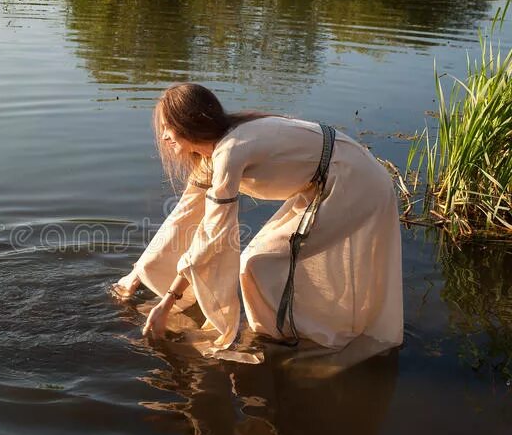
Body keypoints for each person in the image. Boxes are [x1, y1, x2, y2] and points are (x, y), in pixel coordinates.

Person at [114, 83, 403, 351]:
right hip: (326, 180)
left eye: (167, 128)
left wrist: (168, 301)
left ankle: (280, 339)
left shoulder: (230, 153)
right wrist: (137, 274)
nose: (164, 137)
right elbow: (184, 215)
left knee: (256, 262)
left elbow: (212, 238)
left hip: (354, 182)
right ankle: (274, 333)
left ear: (187, 127)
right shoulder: (212, 153)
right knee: (258, 261)